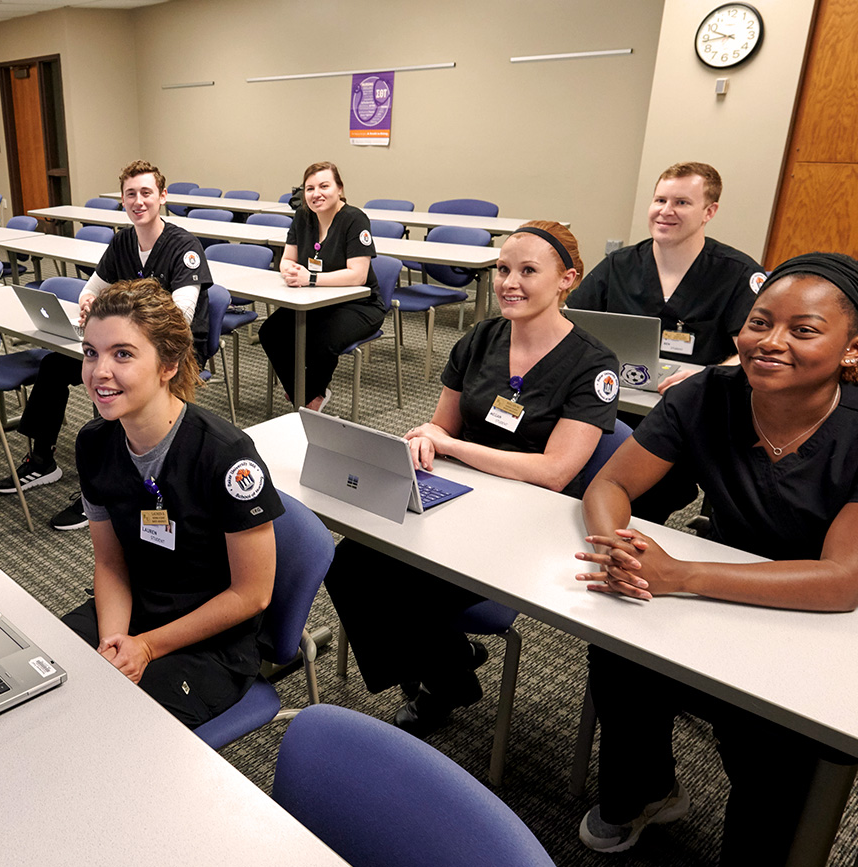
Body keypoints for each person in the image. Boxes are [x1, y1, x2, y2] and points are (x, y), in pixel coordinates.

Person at [573, 252, 858, 863]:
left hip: (822, 618)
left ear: (854, 351)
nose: (770, 342)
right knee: (620, 653)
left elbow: (843, 581)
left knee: (769, 745)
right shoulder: (710, 393)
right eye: (759, 323)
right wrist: (617, 550)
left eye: (804, 330)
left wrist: (678, 575)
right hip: (717, 584)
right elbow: (611, 486)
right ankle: (646, 792)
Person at [325, 222, 620, 736]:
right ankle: (450, 666)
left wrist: (453, 446)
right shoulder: (481, 337)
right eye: (504, 269)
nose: (510, 282)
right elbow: (444, 423)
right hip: (462, 497)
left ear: (566, 279)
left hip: (529, 520)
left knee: (406, 589)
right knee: (351, 561)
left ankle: (441, 681)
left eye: (529, 271)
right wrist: (427, 437)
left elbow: (555, 473)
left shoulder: (593, 364)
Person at [60, 278, 282, 729]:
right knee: (46, 677)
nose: (99, 371)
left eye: (122, 354)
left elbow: (252, 594)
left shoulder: (225, 455)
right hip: (136, 607)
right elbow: (111, 563)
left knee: (121, 728)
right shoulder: (94, 443)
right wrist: (115, 641)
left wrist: (147, 647)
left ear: (167, 365)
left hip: (211, 640)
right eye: (91, 352)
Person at [0, 159, 212, 533]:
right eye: (130, 195)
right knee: (54, 366)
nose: (138, 201)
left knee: (109, 383)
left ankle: (103, 487)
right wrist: (87, 304)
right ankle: (43, 458)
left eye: (146, 193)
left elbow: (182, 316)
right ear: (122, 200)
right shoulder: (123, 241)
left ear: (163, 196)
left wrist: (128, 338)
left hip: (174, 350)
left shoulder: (182, 246)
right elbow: (92, 287)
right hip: (122, 345)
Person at [567, 161, 766, 524]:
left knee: (645, 496)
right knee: (567, 471)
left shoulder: (736, 273)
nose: (666, 211)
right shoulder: (620, 265)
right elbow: (570, 325)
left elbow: (752, 352)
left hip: (687, 411)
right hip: (612, 397)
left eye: (681, 203)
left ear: (710, 212)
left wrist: (707, 376)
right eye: (660, 199)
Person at [259, 161, 386, 411]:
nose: (316, 194)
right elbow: (287, 259)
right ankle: (305, 393)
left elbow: (358, 276)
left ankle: (311, 398)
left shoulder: (354, 219)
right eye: (309, 188)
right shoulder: (302, 217)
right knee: (271, 332)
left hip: (359, 304)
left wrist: (311, 279)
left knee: (321, 337)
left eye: (324, 186)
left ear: (339, 188)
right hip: (315, 300)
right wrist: (289, 270)